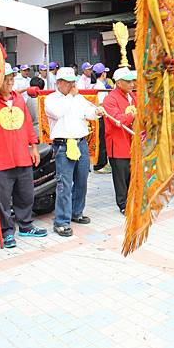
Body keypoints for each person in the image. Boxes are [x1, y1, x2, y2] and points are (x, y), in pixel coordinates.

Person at [45, 67, 105, 237]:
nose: (72, 85)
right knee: (64, 184)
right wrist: (71, 96)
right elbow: (57, 113)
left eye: (73, 81)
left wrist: (96, 112)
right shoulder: (51, 99)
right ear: (59, 83)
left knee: (82, 180)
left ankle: (76, 212)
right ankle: (61, 221)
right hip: (63, 145)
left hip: (81, 143)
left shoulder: (79, 98)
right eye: (69, 82)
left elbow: (89, 113)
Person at [0, 63, 47, 248]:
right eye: (7, 78)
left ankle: (26, 225)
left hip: (22, 155)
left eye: (12, 78)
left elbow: (28, 124)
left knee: (26, 194)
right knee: (3, 199)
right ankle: (7, 231)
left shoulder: (19, 99)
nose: (10, 81)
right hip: (2, 160)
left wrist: (34, 147)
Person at [103, 68, 137, 213]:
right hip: (118, 144)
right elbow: (117, 120)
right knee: (121, 178)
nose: (131, 84)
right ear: (118, 83)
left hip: (133, 142)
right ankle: (123, 205)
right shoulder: (110, 99)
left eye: (132, 81)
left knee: (132, 175)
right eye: (128, 81)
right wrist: (133, 115)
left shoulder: (133, 96)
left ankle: (133, 201)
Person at [92, 62, 112, 174]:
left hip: (100, 116)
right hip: (100, 117)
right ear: (103, 74)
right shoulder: (99, 86)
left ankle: (102, 163)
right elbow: (100, 103)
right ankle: (100, 165)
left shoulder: (99, 85)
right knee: (101, 141)